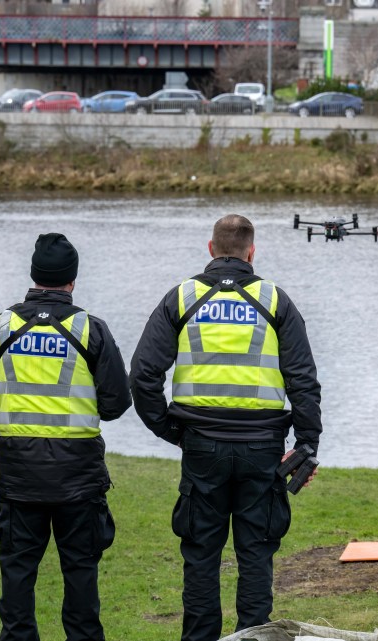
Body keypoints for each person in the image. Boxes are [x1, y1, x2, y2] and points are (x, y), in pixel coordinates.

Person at [130, 214, 322, 641]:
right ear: (252, 252)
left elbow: (143, 375)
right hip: (263, 449)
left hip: (201, 445)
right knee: (255, 553)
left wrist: (170, 430)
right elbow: (303, 379)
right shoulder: (275, 301)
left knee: (201, 553)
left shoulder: (182, 298)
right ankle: (252, 637)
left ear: (211, 249)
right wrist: (306, 445)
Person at [0, 232, 132, 641]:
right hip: (78, 474)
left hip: (19, 472)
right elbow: (115, 402)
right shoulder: (91, 328)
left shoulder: (2, 326)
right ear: (72, 281)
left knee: (18, 573)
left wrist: (19, 409)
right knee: (80, 572)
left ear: (33, 275)